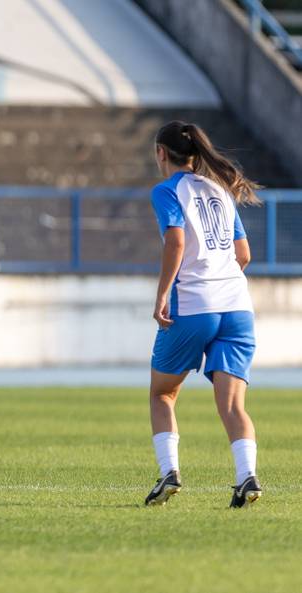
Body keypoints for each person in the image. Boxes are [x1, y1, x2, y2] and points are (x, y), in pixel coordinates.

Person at [144, 121, 262, 508]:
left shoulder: (166, 191)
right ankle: (247, 478)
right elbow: (243, 255)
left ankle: (169, 474)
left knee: (163, 393)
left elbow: (176, 240)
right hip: (237, 308)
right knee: (233, 406)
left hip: (194, 307)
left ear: (162, 153)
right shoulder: (219, 190)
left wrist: (163, 294)